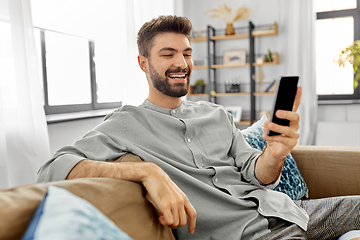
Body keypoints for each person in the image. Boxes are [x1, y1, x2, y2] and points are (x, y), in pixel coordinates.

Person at [37, 15, 360, 240]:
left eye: (187, 53)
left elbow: (256, 173)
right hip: (246, 235)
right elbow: (51, 168)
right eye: (168, 54)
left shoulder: (216, 114)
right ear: (143, 63)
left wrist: (275, 154)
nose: (182, 63)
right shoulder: (125, 123)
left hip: (290, 212)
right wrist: (146, 172)